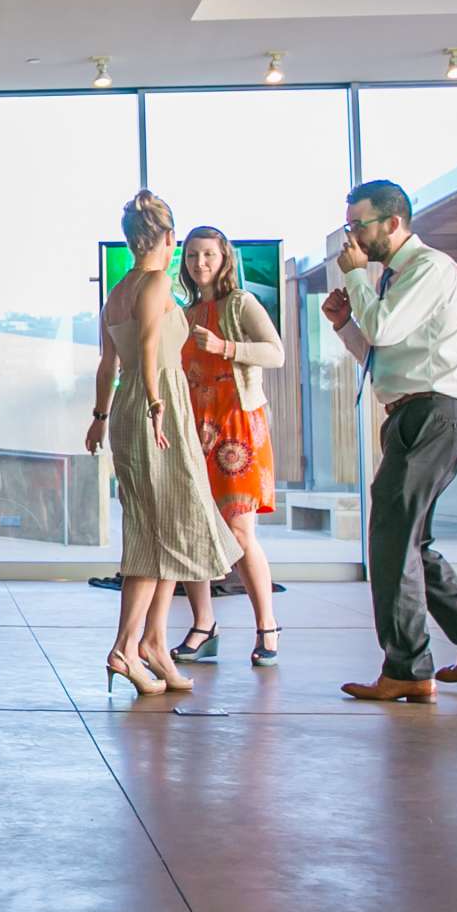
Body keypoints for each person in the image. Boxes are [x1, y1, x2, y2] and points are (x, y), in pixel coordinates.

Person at [326, 179, 457, 701]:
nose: (352, 238)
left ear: (393, 222)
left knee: (391, 538)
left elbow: (385, 330)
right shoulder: (397, 277)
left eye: (358, 225)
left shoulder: (431, 268)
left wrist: (358, 281)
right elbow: (382, 353)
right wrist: (347, 325)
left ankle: (408, 669)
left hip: (434, 413)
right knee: (411, 541)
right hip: (415, 413)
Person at [90, 192, 237, 696]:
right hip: (158, 404)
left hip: (132, 403)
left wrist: (99, 417)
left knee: (162, 527)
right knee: (160, 532)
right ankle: (128, 647)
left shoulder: (117, 290)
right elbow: (150, 349)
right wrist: (156, 408)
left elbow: (107, 364)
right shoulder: (154, 284)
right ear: (170, 239)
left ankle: (152, 645)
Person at [166, 226, 285, 668]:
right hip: (195, 429)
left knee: (239, 532)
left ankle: (267, 626)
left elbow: (276, 353)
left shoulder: (241, 304)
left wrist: (225, 346)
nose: (200, 263)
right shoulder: (185, 312)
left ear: (224, 258)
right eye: (193, 255)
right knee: (195, 529)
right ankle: (203, 625)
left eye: (208, 255)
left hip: (237, 427)